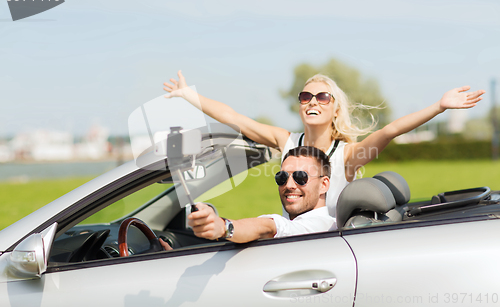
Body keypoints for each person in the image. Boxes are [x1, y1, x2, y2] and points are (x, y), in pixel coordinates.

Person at [164, 70, 485, 221]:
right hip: (289, 240)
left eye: (322, 96)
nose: (312, 101)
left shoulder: (347, 154)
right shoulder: (285, 140)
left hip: (327, 249)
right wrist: (189, 95)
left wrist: (439, 107)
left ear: (334, 108)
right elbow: (236, 118)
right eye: (305, 96)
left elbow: (391, 130)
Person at [160, 146, 335, 247]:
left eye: (300, 177)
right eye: (282, 177)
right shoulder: (303, 227)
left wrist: (223, 227)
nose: (289, 185)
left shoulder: (319, 226)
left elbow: (268, 226)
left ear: (324, 184)